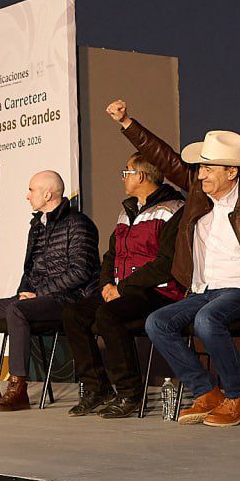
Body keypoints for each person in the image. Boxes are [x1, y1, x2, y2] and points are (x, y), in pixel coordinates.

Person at [107, 99, 240, 427]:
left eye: (209, 169)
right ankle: (207, 392)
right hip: (205, 290)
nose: (201, 174)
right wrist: (127, 122)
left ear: (232, 172)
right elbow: (163, 157)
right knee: (157, 322)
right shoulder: (199, 194)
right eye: (200, 168)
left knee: (207, 320)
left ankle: (238, 395)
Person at [0, 170, 100, 411]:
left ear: (48, 194)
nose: (26, 196)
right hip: (35, 298)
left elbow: (81, 272)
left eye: (31, 190)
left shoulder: (79, 224)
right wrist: (24, 292)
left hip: (68, 299)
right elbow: (29, 270)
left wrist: (39, 294)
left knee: (17, 310)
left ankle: (18, 389)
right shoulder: (37, 226)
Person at [61, 153, 185, 418]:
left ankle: (130, 394)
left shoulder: (173, 210)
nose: (122, 178)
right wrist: (107, 284)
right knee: (74, 314)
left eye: (126, 172)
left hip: (158, 291)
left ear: (141, 176)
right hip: (123, 289)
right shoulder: (127, 211)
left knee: (108, 315)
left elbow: (166, 264)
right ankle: (97, 388)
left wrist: (123, 288)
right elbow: (110, 256)